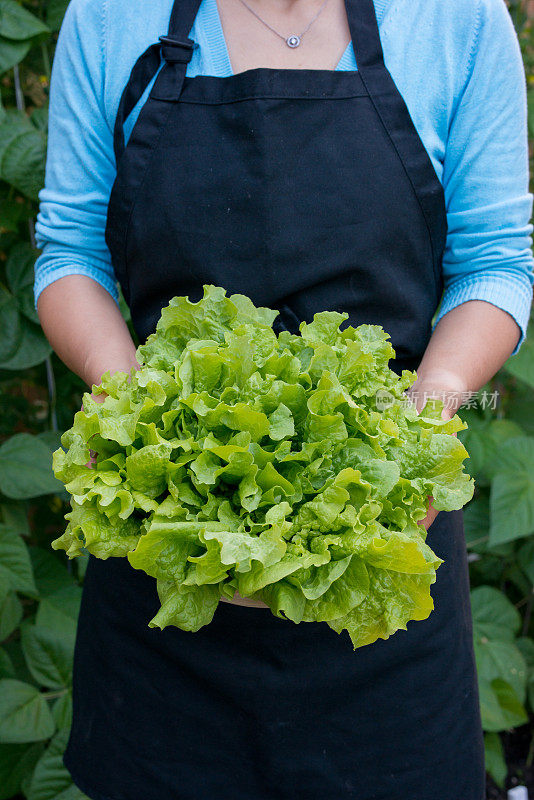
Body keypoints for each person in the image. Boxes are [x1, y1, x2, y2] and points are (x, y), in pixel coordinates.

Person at [34, 0, 533, 797]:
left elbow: (496, 261)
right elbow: (70, 251)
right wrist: (131, 407)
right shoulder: (110, 16)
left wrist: (432, 404)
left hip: (381, 558)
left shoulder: (459, 20)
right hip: (166, 555)